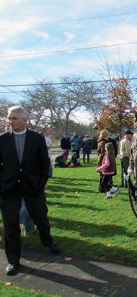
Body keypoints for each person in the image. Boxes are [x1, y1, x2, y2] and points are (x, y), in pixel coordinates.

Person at [0, 105, 60, 276]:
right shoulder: (2, 140)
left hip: (33, 186)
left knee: (40, 217)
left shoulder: (37, 139)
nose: (11, 121)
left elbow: (44, 162)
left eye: (14, 118)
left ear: (25, 120)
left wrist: (42, 181)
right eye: (10, 118)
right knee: (10, 224)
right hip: (9, 189)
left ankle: (48, 242)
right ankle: (13, 260)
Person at [97, 129, 120, 196]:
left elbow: (115, 151)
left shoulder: (110, 141)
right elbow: (99, 152)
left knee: (107, 178)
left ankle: (109, 190)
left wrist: (110, 159)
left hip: (107, 162)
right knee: (104, 177)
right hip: (104, 161)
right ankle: (106, 192)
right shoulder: (100, 141)